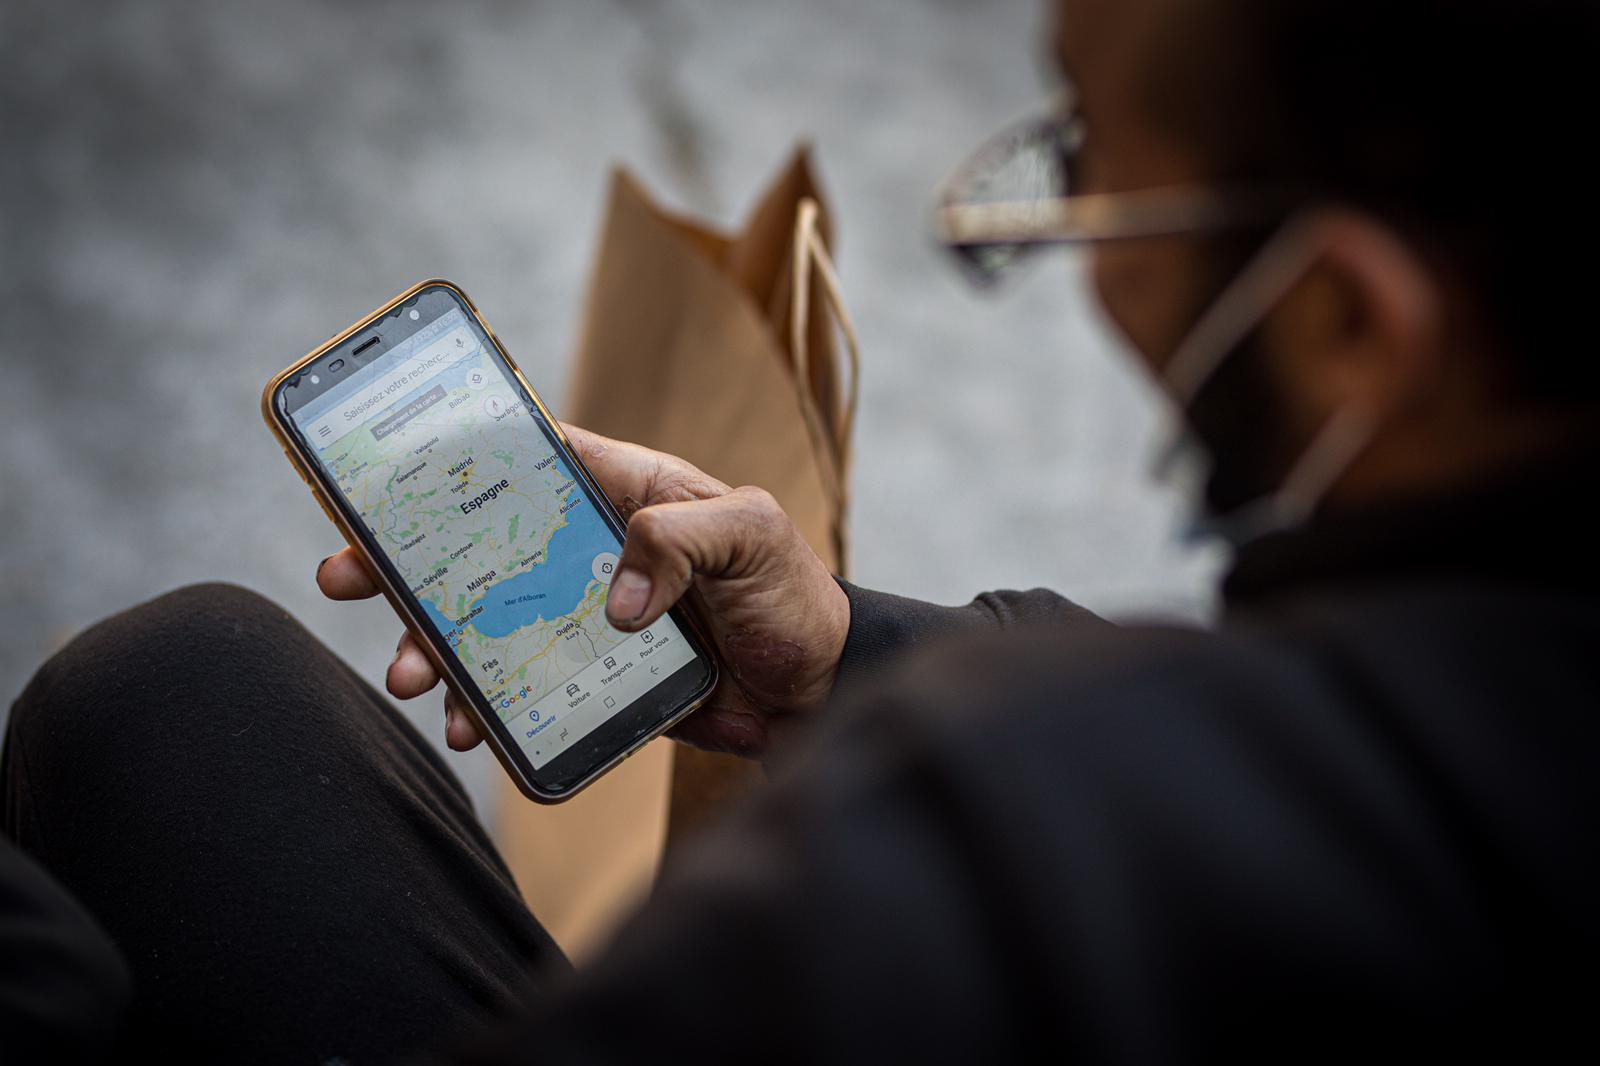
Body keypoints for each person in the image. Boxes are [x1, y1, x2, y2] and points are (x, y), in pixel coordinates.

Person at [5, 0, 1598, 1061]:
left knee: (165, 699)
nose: (1087, 261)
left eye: (1093, 181)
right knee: (178, 691)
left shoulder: (1005, 858)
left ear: (1343, 324)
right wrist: (856, 653)